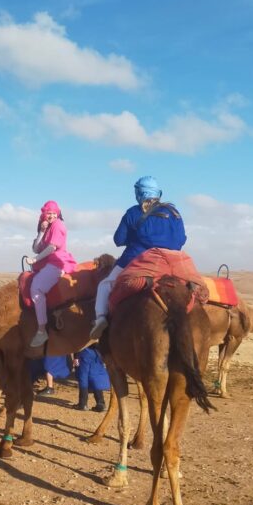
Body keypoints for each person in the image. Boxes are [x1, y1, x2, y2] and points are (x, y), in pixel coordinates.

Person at [89, 176, 187, 339]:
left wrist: (136, 238)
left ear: (139, 193)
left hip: (137, 260)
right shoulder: (174, 213)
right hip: (171, 261)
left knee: (105, 285)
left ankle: (100, 319)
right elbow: (182, 239)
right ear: (158, 193)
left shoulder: (133, 212)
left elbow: (118, 240)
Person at [26, 201, 77, 348]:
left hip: (56, 262)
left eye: (54, 213)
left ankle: (42, 330)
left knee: (36, 289)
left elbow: (51, 247)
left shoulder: (58, 225)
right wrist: (41, 231)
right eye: (49, 213)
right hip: (46, 262)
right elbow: (36, 248)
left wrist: (35, 259)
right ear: (44, 214)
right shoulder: (48, 227)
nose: (52, 215)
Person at [72, 345, 110, 411]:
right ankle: (101, 403)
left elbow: (79, 341)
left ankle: (83, 404)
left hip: (84, 352)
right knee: (95, 377)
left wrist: (76, 356)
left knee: (83, 377)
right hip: (97, 353)